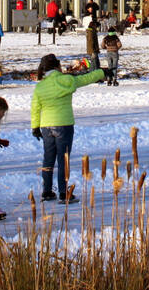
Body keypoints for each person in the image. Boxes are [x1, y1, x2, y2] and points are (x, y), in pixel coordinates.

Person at [30, 54, 105, 204]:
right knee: (63, 159)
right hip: (64, 124)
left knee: (48, 158)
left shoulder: (40, 86)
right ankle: (64, 193)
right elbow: (84, 79)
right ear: (57, 66)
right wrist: (102, 72)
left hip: (46, 126)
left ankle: (46, 191)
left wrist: (35, 127)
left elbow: (35, 108)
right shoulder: (66, 80)